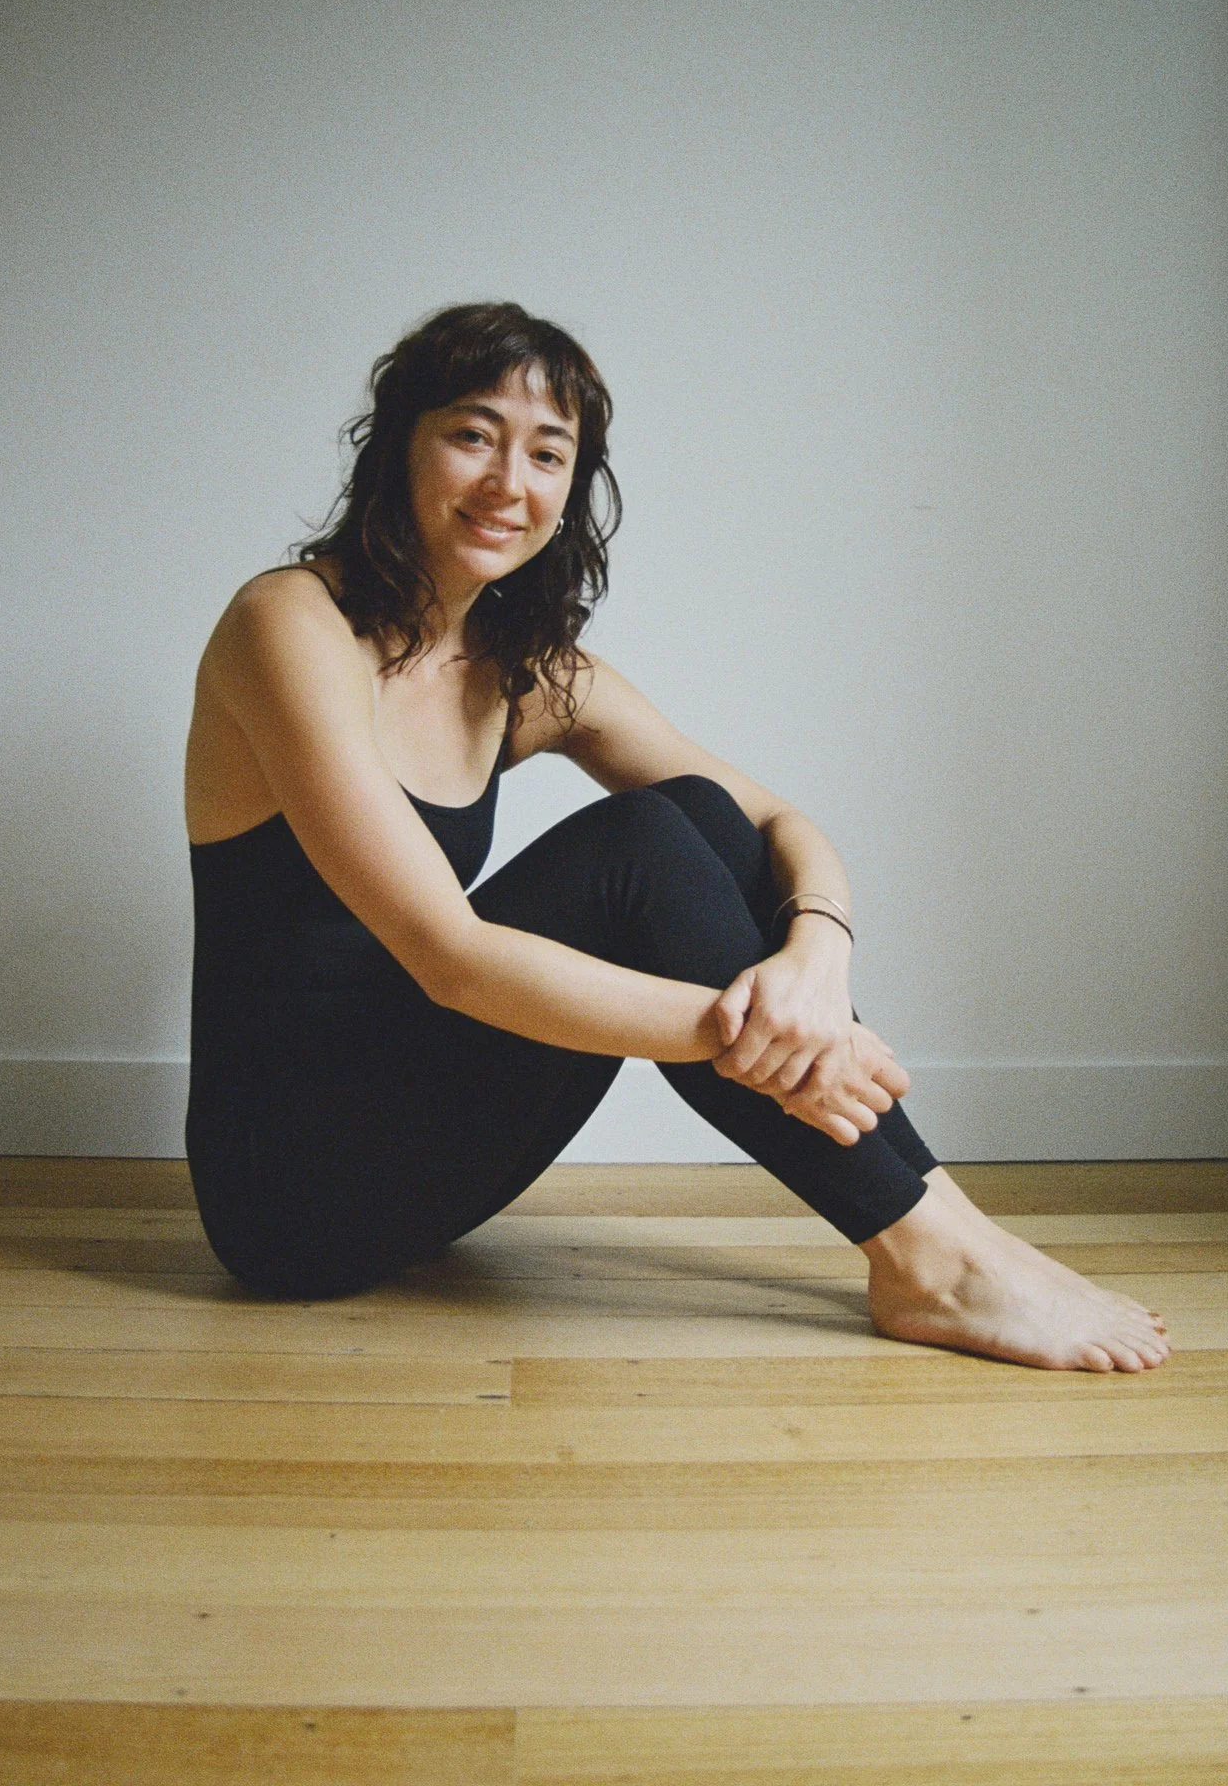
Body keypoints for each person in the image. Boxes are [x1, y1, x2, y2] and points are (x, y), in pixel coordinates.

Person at [184, 301, 1170, 1372]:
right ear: (398, 445)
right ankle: (930, 1251)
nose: (507, 481)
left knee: (692, 819)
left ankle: (943, 1232)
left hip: (417, 1139)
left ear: (570, 490)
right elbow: (447, 957)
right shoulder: (288, 625)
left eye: (546, 452)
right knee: (641, 850)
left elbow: (779, 823)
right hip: (287, 1192)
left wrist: (812, 961)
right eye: (472, 433)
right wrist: (771, 1045)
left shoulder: (522, 673)